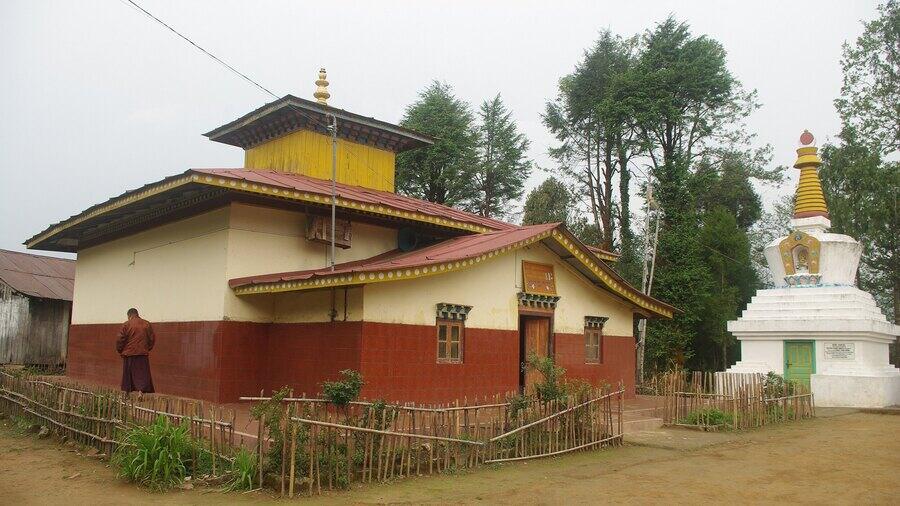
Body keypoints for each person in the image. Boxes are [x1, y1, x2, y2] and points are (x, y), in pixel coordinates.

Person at [116, 307, 155, 394]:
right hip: (142, 353)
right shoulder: (146, 324)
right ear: (137, 314)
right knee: (141, 373)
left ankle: (127, 392)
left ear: (129, 316)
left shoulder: (126, 324)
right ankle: (140, 391)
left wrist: (120, 349)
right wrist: (147, 348)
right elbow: (151, 339)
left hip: (129, 353)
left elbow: (120, 339)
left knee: (128, 374)